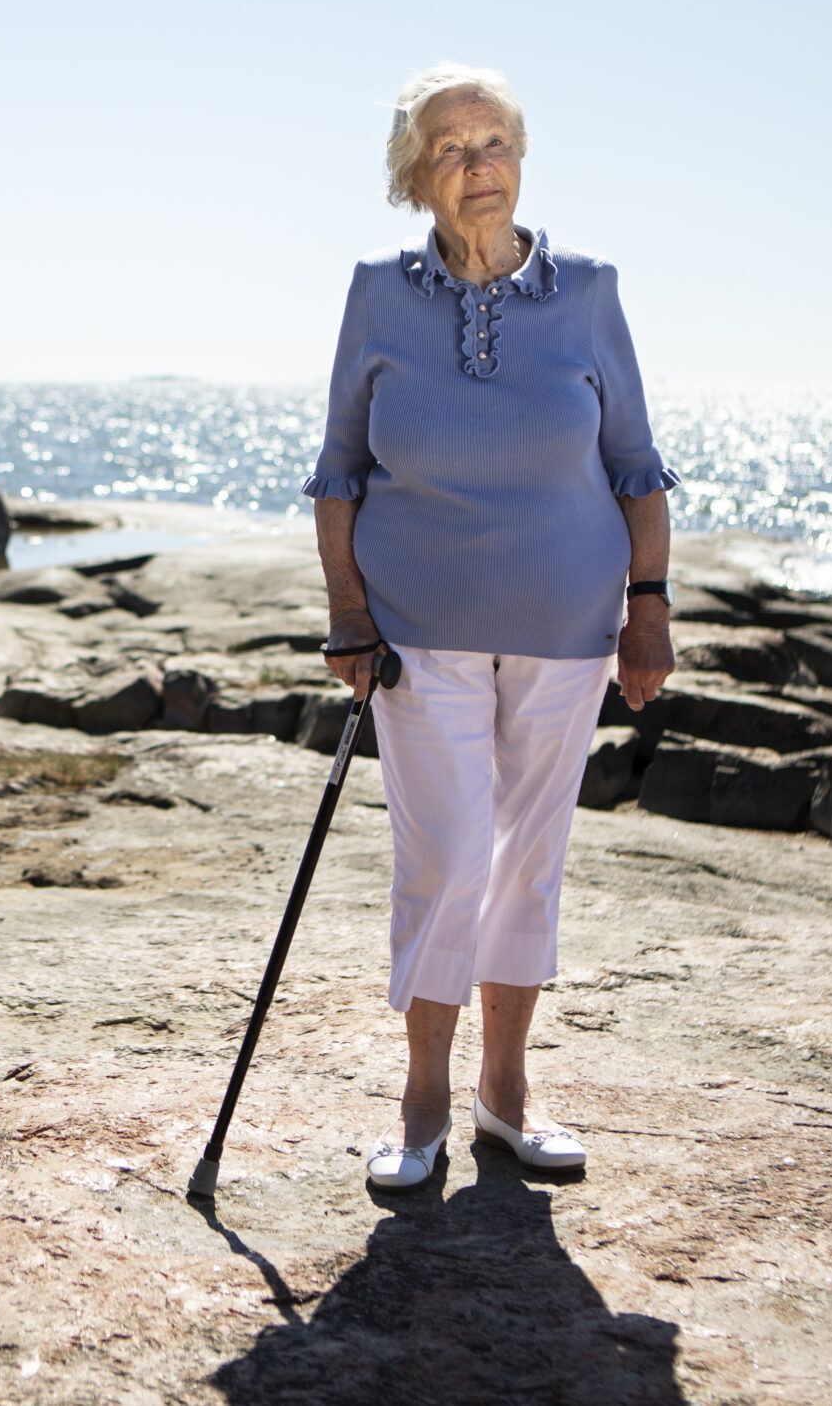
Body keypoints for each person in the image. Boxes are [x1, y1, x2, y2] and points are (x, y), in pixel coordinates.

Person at [302, 63, 676, 1189]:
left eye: (496, 142)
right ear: (416, 174)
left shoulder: (589, 291)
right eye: (452, 147)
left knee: (527, 863)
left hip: (568, 625)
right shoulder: (377, 292)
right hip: (419, 630)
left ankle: (503, 1096)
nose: (479, 166)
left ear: (519, 160)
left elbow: (633, 466)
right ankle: (420, 1099)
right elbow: (339, 471)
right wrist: (347, 615)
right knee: (447, 856)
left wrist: (646, 609)